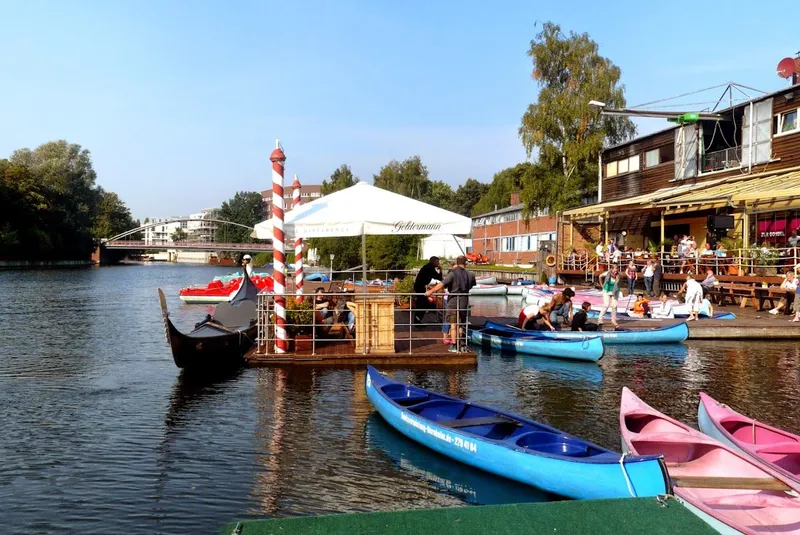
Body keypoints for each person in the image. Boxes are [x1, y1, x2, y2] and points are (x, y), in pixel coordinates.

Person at [425, 255, 477, 352]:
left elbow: (442, 284)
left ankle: (454, 345)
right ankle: (461, 343)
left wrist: (430, 291)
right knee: (460, 323)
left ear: (457, 263)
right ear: (465, 263)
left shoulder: (452, 273)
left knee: (453, 324)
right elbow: (471, 285)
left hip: (453, 300)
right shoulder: (471, 274)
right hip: (464, 300)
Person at [413, 256, 442, 325]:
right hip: (419, 287)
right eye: (437, 262)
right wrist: (440, 270)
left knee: (422, 304)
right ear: (433, 261)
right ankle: (417, 321)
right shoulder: (430, 268)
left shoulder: (427, 267)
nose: (438, 263)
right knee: (422, 304)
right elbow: (438, 277)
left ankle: (418, 321)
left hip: (419, 286)